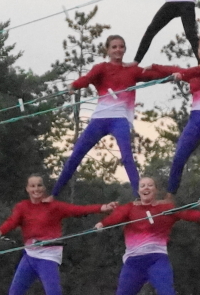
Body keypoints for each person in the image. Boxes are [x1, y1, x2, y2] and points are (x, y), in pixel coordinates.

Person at [0, 174, 117, 295]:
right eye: (32, 186)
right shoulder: (22, 207)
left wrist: (103, 208)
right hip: (30, 256)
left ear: (44, 188)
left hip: (48, 257)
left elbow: (79, 210)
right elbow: (12, 222)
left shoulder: (54, 206)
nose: (36, 189)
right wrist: (0, 231)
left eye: (39, 186)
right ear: (27, 189)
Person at [52, 35, 152, 198]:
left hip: (120, 119)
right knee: (76, 155)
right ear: (108, 50)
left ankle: (139, 197)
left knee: (127, 158)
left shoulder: (132, 71)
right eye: (114, 47)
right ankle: (54, 195)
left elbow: (153, 75)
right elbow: (87, 79)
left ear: (125, 49)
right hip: (99, 119)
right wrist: (74, 85)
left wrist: (177, 73)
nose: (118, 50)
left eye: (121, 46)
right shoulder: (101, 68)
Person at [144, 37, 200, 195]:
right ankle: (170, 197)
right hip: (195, 119)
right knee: (178, 157)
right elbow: (176, 70)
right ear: (198, 51)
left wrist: (181, 74)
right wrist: (155, 67)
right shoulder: (195, 73)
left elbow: (195, 71)